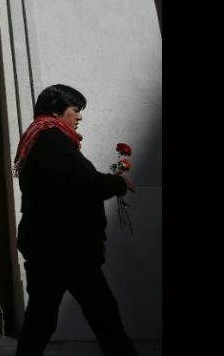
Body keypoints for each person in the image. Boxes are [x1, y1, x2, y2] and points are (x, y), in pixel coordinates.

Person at [13, 84, 137, 356]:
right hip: (65, 246)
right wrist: (119, 182)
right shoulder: (51, 139)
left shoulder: (41, 138)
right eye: (75, 110)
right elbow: (85, 183)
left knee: (43, 319)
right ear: (57, 111)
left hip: (53, 244)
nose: (79, 116)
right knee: (103, 316)